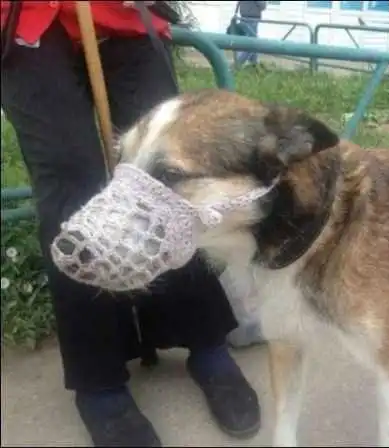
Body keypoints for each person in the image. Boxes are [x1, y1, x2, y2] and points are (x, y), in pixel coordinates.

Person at [0, 1, 261, 446]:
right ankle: (98, 380)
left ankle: (205, 341)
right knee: (71, 181)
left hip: (122, 16)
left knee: (167, 171)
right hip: (23, 20)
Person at [235, 0, 266, 68]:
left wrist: (236, 12)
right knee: (252, 42)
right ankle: (239, 63)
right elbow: (262, 6)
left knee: (247, 40)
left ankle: (253, 63)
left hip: (243, 17)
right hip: (252, 18)